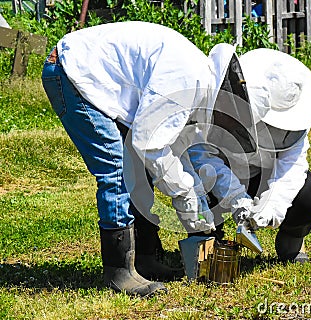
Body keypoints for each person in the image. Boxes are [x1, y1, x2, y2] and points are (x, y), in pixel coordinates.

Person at [41, 21, 243, 296]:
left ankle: (145, 258)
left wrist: (197, 209)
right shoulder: (185, 81)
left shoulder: (196, 82)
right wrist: (188, 201)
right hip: (72, 72)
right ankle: (119, 271)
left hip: (92, 72)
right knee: (117, 168)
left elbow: (178, 152)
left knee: (138, 166)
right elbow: (151, 145)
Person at [187, 48, 311, 263]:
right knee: (195, 188)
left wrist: (271, 208)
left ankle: (291, 245)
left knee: (308, 196)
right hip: (219, 174)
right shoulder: (222, 103)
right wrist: (235, 197)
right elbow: (202, 156)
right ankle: (208, 244)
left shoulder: (296, 124)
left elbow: (292, 169)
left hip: (262, 176)